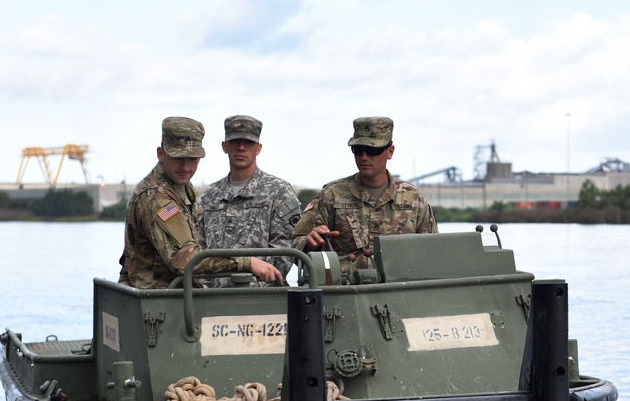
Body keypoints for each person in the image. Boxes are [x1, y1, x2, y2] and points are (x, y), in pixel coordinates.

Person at [118, 116, 283, 289]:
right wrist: (246, 262)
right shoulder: (157, 198)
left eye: (192, 159)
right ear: (161, 153)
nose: (185, 167)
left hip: (177, 296)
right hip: (159, 303)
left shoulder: (182, 188)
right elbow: (185, 260)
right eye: (178, 158)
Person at [291, 116, 437, 274]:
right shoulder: (332, 195)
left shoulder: (413, 198)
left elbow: (433, 251)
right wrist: (310, 244)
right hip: (346, 291)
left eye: (373, 150)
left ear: (390, 151)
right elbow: (295, 251)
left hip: (398, 289)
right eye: (358, 150)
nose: (364, 157)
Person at [198, 115, 301, 287]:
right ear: (224, 147)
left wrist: (250, 289)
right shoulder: (209, 196)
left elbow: (283, 253)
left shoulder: (279, 192)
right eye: (235, 141)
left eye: (248, 143)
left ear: (258, 148)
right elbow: (199, 251)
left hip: (261, 300)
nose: (241, 147)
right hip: (212, 300)